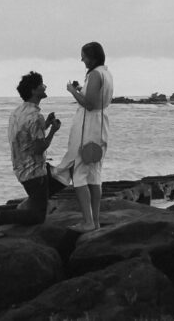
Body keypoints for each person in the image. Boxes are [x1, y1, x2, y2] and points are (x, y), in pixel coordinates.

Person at [54, 39, 112, 230]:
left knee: (79, 172)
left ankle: (88, 221)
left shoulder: (95, 74)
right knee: (94, 174)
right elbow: (96, 100)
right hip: (100, 125)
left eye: (84, 56)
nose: (82, 60)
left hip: (87, 126)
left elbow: (89, 104)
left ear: (93, 57)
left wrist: (72, 91)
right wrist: (81, 90)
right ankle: (94, 220)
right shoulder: (106, 73)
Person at [0, 71, 61, 229]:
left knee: (63, 176)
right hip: (34, 172)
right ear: (33, 90)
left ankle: (33, 200)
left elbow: (26, 137)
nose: (45, 87)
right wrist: (53, 131)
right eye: (41, 85)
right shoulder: (35, 116)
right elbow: (39, 148)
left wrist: (46, 125)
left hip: (20, 168)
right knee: (38, 217)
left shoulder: (17, 112)